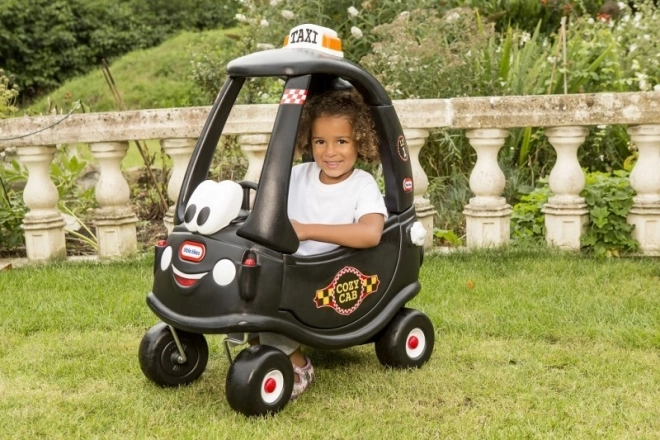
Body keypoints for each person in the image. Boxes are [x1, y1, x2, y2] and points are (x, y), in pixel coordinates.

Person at [258, 88, 388, 400]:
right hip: (290, 264)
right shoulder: (298, 175)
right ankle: (261, 343)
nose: (330, 152)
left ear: (359, 141)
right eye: (320, 142)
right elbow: (267, 205)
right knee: (243, 277)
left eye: (341, 141)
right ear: (309, 141)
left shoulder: (362, 185)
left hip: (327, 275)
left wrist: (307, 230)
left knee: (266, 298)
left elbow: (371, 233)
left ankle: (297, 364)